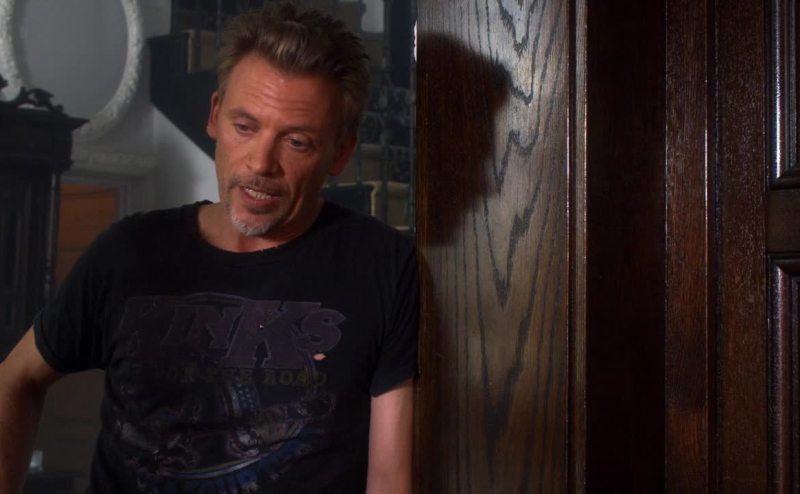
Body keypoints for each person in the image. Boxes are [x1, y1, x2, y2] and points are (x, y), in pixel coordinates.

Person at [0, 3, 418, 493]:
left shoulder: (383, 265)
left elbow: (390, 477)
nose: (260, 163)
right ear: (215, 115)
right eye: (245, 127)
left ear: (340, 153)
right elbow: (15, 378)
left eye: (297, 142)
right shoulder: (128, 251)